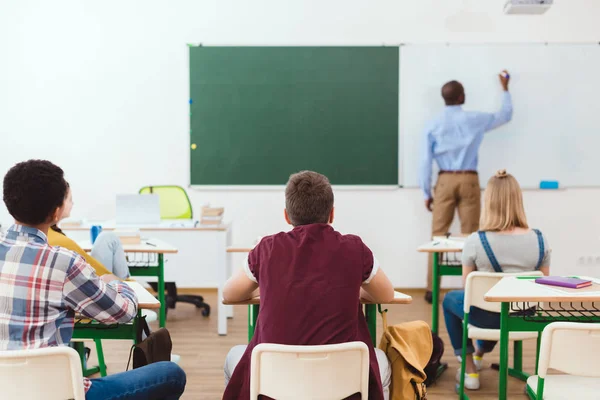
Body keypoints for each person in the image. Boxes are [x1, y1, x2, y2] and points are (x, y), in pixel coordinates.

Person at [0, 159, 186, 400]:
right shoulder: (64, 262)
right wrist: (122, 284)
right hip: (57, 391)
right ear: (56, 212)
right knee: (170, 373)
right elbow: (124, 312)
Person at [222, 171, 395, 400]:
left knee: (233, 356)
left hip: (274, 388)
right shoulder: (355, 248)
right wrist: (352, 286)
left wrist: (268, 282)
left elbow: (229, 294)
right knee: (382, 360)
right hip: (343, 386)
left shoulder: (267, 249)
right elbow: (387, 294)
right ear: (332, 214)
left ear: (286, 216)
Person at [442, 170, 551, 390]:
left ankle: (470, 368)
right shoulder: (540, 239)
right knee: (501, 305)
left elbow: (468, 292)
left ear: (488, 202)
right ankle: (481, 351)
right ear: (518, 200)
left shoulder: (475, 241)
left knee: (451, 300)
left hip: (487, 319)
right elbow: (544, 288)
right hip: (525, 317)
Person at [419, 72, 513, 303]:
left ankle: (432, 290)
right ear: (461, 97)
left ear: (445, 98)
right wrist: (505, 88)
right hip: (469, 179)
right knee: (472, 235)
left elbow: (425, 160)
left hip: (444, 180)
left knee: (437, 236)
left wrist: (426, 192)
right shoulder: (475, 119)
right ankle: (472, 287)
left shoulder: (433, 123)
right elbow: (505, 115)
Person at [48, 185, 131, 279]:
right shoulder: (62, 241)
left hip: (81, 278)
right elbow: (94, 270)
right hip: (95, 282)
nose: (73, 203)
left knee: (107, 238)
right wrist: (126, 283)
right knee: (108, 238)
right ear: (58, 206)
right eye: (70, 200)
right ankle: (127, 281)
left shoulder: (46, 234)